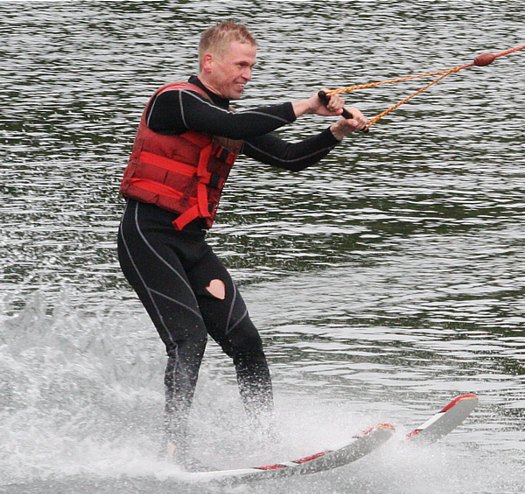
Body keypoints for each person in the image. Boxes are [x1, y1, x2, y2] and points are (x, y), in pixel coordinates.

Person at [117, 20, 367, 470]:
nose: (248, 75)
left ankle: (264, 442)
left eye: (252, 66)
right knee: (189, 339)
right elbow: (231, 122)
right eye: (241, 65)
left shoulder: (230, 121)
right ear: (209, 62)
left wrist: (335, 135)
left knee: (246, 342)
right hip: (147, 236)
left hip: (191, 243)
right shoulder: (175, 101)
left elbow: (287, 158)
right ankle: (172, 452)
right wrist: (308, 105)